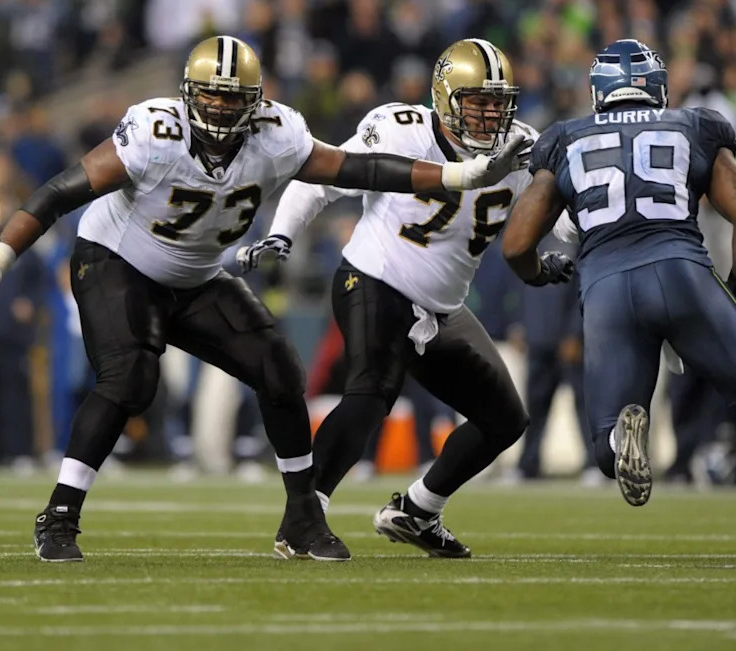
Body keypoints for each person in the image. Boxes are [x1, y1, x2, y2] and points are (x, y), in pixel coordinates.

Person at [0, 35, 531, 563]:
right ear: (187, 95)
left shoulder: (277, 133)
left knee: (280, 371)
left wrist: (457, 178)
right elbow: (57, 193)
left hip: (197, 276)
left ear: (256, 101)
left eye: (234, 98)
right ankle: (60, 514)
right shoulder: (154, 133)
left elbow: (354, 169)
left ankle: (303, 518)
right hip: (115, 262)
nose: (222, 108)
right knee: (130, 380)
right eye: (212, 96)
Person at [239, 38, 572, 558]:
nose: (490, 115)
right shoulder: (401, 129)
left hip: (442, 307)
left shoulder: (524, 148)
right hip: (373, 278)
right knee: (373, 392)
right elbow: (321, 179)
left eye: (497, 103)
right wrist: (283, 232)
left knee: (505, 418)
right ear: (443, 98)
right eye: (477, 102)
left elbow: (564, 218)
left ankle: (417, 512)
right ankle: (303, 520)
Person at [502, 39, 736, 507]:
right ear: (658, 88)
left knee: (605, 447)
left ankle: (623, 440)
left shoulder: (564, 137)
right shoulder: (693, 125)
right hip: (683, 272)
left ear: (598, 91)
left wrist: (541, 272)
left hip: (606, 290)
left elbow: (516, 244)